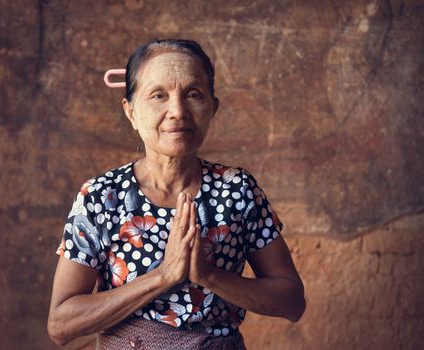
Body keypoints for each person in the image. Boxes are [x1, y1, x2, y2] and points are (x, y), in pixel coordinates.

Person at [47, 39, 305, 350]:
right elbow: (61, 325)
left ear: (213, 107)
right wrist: (163, 276)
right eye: (158, 95)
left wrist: (208, 275)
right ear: (131, 112)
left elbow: (292, 302)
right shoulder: (102, 197)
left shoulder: (237, 190)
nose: (178, 111)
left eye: (193, 94)